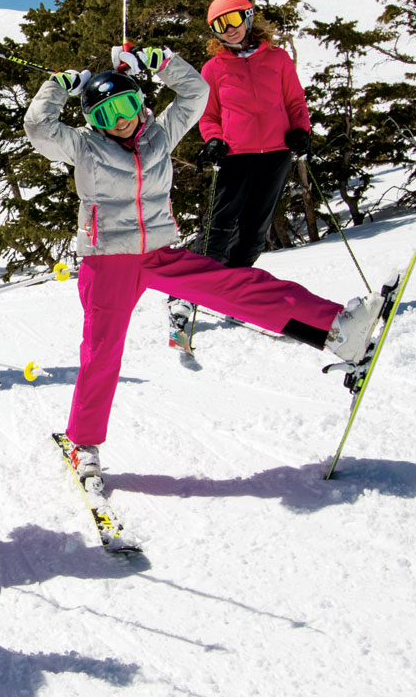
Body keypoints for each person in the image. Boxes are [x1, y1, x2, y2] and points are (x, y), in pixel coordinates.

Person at [26, 49, 392, 483]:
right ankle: (83, 442)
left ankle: (339, 329)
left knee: (238, 285)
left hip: (160, 252)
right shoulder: (84, 147)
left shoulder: (160, 135)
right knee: (103, 353)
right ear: (93, 123)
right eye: (105, 115)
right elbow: (39, 128)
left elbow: (196, 92)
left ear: (139, 101)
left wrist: (160, 61)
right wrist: (58, 87)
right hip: (108, 262)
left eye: (124, 105)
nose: (119, 120)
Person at [168, 0, 314, 336]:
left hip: (277, 153)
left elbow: (294, 100)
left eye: (233, 20)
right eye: (220, 25)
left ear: (248, 18)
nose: (228, 30)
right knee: (217, 228)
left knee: (254, 233)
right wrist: (214, 139)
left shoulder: (277, 59)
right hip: (236, 155)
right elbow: (210, 114)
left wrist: (301, 132)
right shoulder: (214, 68)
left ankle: (231, 294)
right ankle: (184, 296)